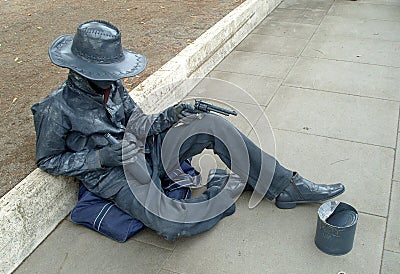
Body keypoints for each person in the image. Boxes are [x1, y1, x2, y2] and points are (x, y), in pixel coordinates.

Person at [32, 20, 345, 240]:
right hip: (114, 175)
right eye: (106, 72)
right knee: (172, 224)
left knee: (211, 126)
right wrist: (101, 156)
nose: (113, 77)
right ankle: (222, 188)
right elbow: (48, 161)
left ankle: (286, 185)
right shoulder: (56, 108)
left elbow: (140, 125)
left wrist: (175, 113)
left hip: (145, 149)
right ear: (80, 68)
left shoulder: (111, 86)